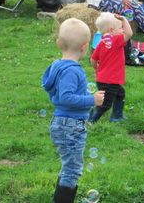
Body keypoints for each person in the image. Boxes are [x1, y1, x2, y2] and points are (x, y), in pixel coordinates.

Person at [42, 18, 105, 202]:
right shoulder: (73, 70)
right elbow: (65, 98)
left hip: (62, 123)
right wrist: (91, 99)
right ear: (85, 47)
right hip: (71, 125)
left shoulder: (57, 66)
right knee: (73, 169)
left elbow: (57, 95)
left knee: (69, 165)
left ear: (59, 43)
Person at [89, 12, 132, 123]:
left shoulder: (101, 43)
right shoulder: (116, 41)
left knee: (120, 94)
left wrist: (96, 69)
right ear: (112, 30)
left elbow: (93, 60)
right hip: (110, 81)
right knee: (105, 105)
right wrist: (124, 19)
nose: (123, 30)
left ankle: (117, 116)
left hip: (102, 79)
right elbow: (129, 33)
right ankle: (91, 121)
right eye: (121, 28)